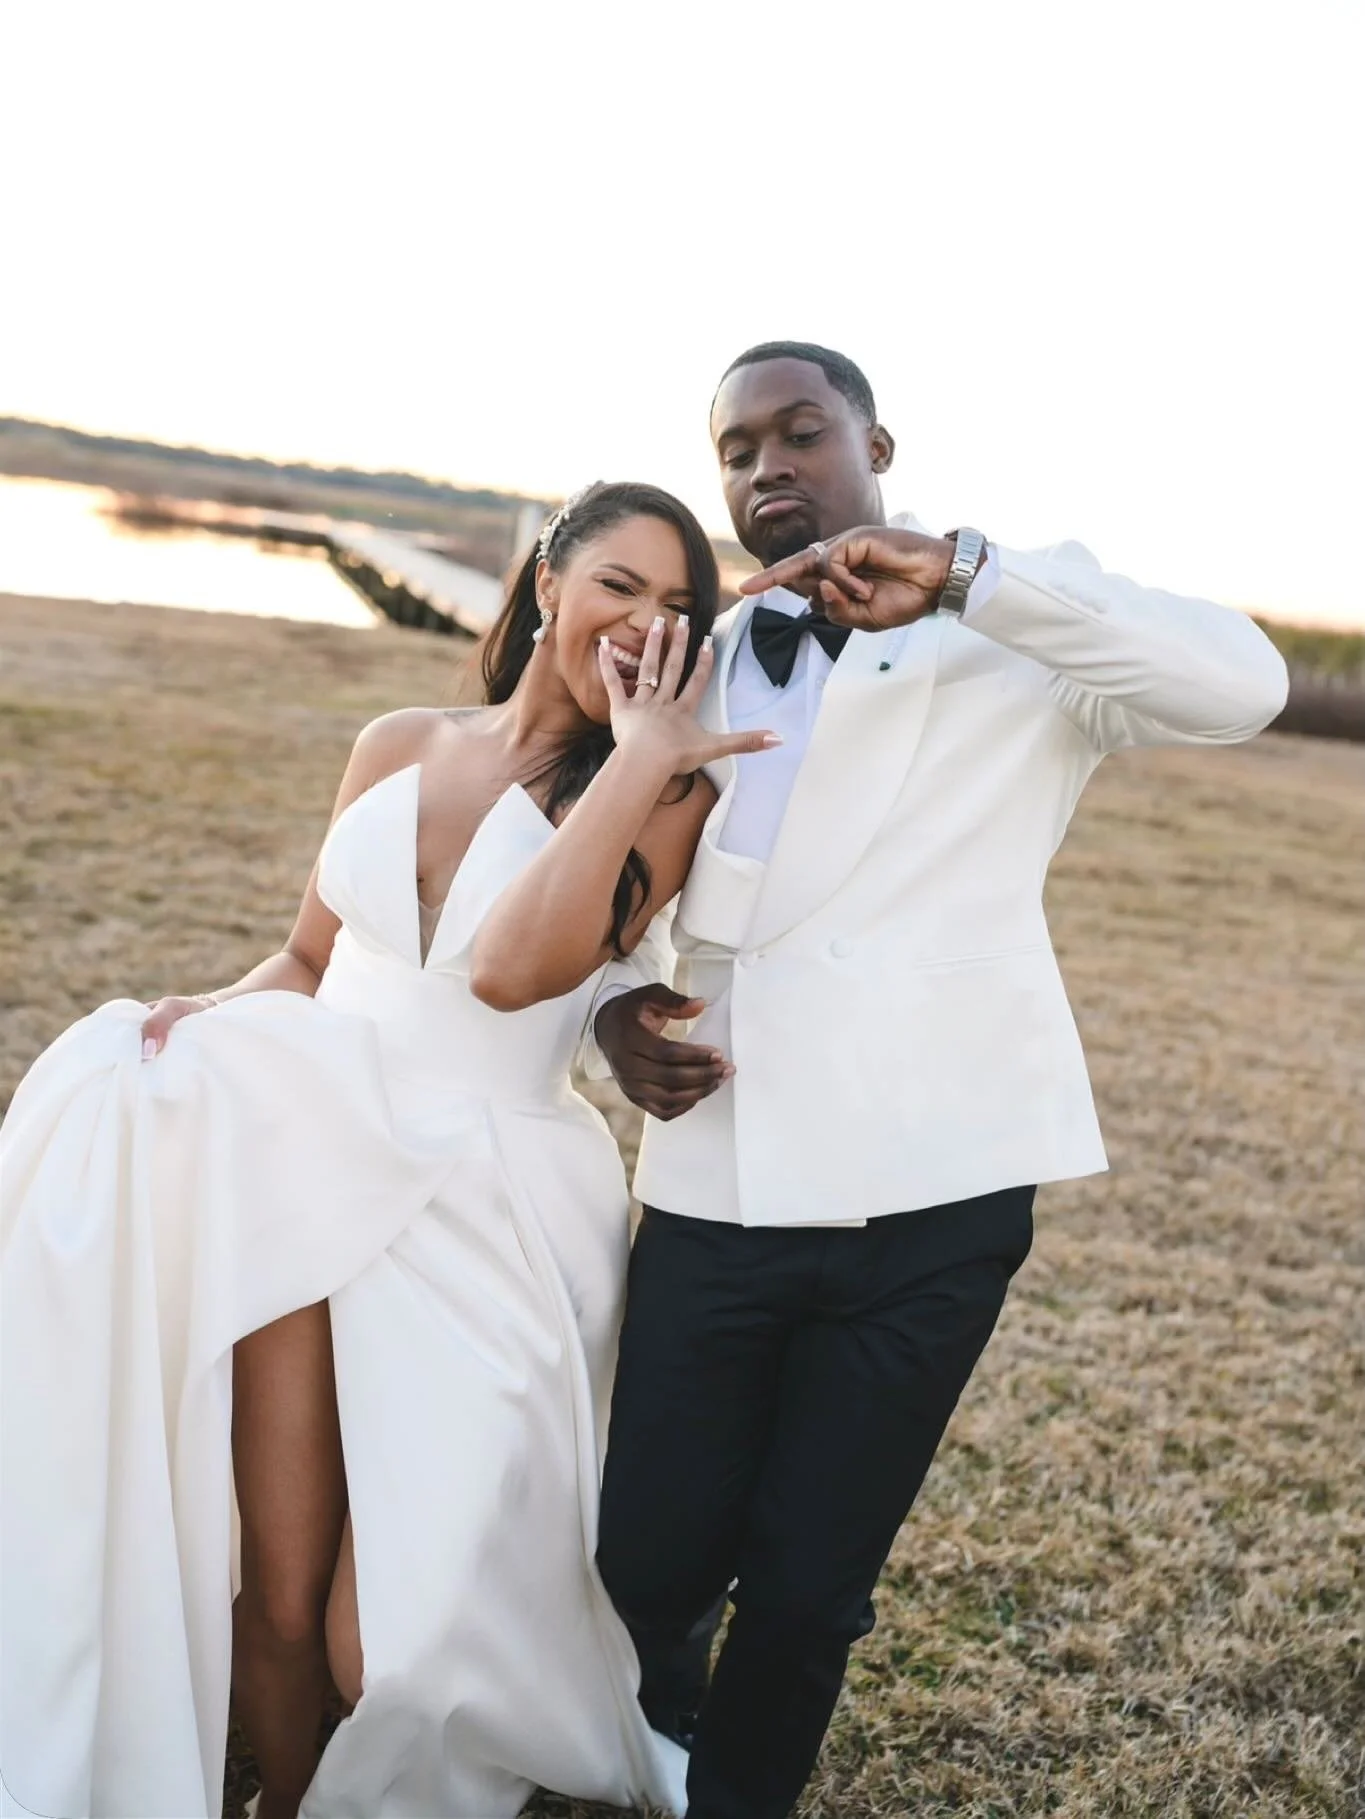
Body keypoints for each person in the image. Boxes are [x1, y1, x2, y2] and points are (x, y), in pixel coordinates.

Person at [0, 481, 778, 1819]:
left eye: (678, 608)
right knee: (286, 1590)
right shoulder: (397, 739)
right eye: (620, 587)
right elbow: (312, 956)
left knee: (396, 1645)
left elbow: (518, 967)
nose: (644, 623)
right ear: (548, 585)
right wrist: (207, 1017)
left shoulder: (662, 795)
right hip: (309, 1151)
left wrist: (647, 752)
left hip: (490, 1202)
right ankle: (287, 1796)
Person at [589, 342, 1291, 1819]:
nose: (765, 466)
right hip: (721, 1169)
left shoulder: (1024, 628)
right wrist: (610, 1009)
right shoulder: (694, 653)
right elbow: (603, 888)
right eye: (736, 448)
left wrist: (973, 576)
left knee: (808, 1583)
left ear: (875, 443)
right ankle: (648, 1718)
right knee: (642, 1552)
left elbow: (1248, 683)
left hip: (938, 1191)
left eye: (799, 432)